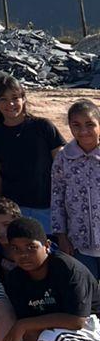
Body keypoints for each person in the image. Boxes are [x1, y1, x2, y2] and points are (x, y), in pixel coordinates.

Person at [2, 216, 100, 341]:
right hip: (62, 331)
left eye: (31, 247)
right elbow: (30, 334)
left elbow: (77, 320)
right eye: (16, 249)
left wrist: (24, 324)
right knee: (1, 330)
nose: (24, 255)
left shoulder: (67, 268)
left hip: (92, 324)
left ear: (46, 246)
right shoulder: (16, 278)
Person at [0, 73, 64, 228]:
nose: (10, 104)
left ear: (24, 98)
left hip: (47, 208)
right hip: (14, 211)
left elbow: (62, 168)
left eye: (15, 98)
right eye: (3, 99)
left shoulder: (43, 127)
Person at [51, 100, 100, 279]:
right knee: (87, 295)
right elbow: (57, 198)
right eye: (76, 125)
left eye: (90, 124)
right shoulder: (64, 158)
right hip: (79, 243)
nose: (84, 131)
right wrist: (62, 237)